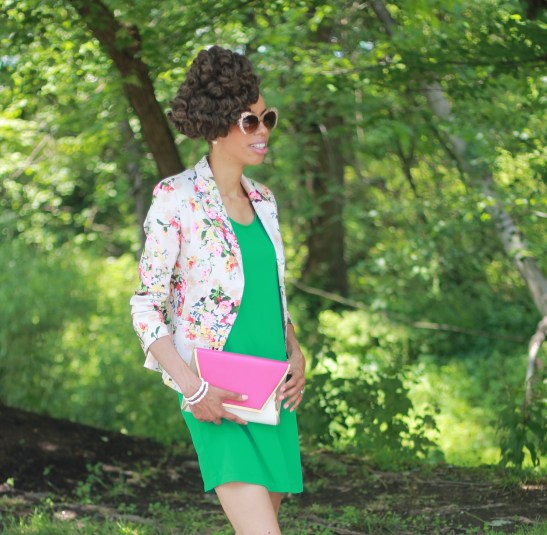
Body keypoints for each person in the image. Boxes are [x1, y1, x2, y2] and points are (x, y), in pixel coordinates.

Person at [130, 45, 306, 534]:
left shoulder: (265, 201)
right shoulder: (176, 198)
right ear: (216, 126)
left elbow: (270, 294)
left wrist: (295, 350)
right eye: (250, 121)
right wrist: (194, 389)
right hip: (216, 394)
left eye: (267, 118)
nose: (263, 130)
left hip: (273, 388)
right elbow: (146, 306)